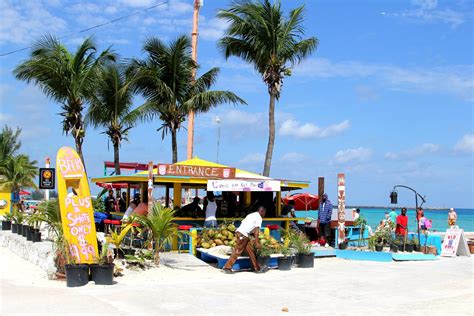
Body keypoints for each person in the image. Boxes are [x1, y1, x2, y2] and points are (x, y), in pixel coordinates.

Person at [222, 207, 268, 274]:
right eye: (264, 213)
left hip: (240, 233)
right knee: (238, 251)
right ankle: (227, 268)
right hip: (243, 235)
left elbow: (246, 225)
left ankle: (257, 268)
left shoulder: (251, 215)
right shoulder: (259, 217)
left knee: (251, 251)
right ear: (262, 212)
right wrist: (257, 242)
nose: (264, 215)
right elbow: (256, 231)